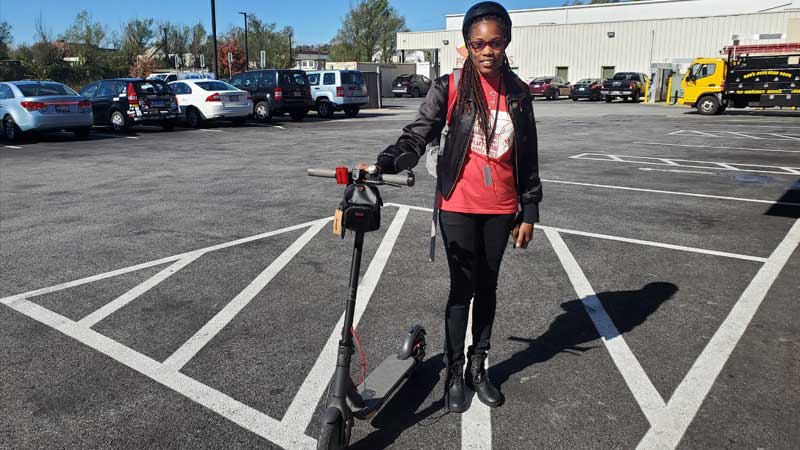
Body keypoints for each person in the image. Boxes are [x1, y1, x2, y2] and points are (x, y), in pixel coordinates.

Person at [363, 1, 541, 413]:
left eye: (495, 42)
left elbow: (528, 154)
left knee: (488, 287)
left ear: (506, 42)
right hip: (458, 204)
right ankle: (455, 372)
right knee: (462, 287)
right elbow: (418, 133)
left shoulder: (518, 93)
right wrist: (386, 161)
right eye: (478, 43)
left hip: (502, 206)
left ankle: (479, 368)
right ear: (467, 45)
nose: (487, 51)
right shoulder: (451, 86)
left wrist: (529, 210)